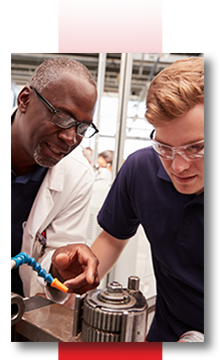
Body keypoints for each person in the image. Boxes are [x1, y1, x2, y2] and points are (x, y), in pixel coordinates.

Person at [91, 57, 204, 341]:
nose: (178, 166)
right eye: (165, 147)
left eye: (196, 148)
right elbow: (112, 239)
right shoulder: (141, 170)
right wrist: (80, 277)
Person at [11, 57, 100, 304]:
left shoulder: (77, 175)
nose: (71, 138)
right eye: (61, 117)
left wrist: (60, 264)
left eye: (82, 127)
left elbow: (49, 254)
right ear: (25, 100)